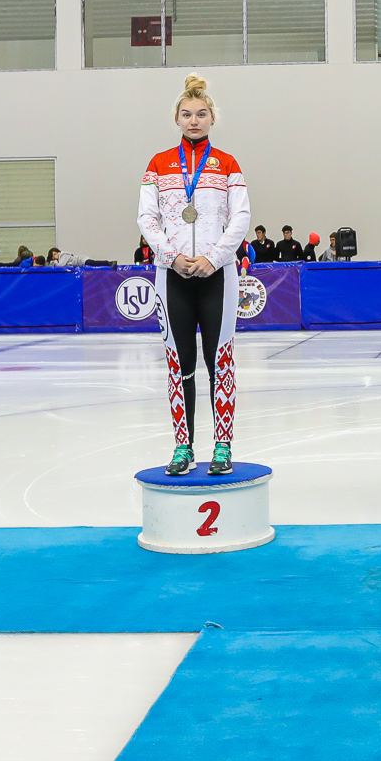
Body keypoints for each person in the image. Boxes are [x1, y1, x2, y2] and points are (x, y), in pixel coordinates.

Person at [138, 72, 251, 477]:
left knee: (220, 361)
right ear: (176, 118)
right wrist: (171, 257)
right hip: (173, 277)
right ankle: (182, 447)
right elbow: (146, 218)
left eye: (201, 114)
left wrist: (214, 258)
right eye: (186, 114)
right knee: (179, 363)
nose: (194, 120)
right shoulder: (158, 164)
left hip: (217, 276)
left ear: (212, 118)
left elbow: (241, 217)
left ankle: (222, 446)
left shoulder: (227, 164)